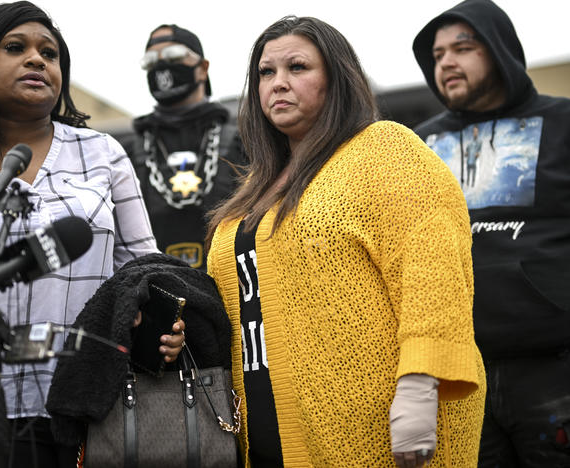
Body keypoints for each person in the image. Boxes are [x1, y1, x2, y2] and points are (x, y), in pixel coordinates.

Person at [0, 2, 184, 467]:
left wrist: (165, 321)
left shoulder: (104, 154)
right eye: (16, 48)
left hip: (89, 399)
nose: (38, 60)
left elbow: (144, 266)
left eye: (51, 53)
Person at [205, 15, 485, 468]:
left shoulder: (384, 149)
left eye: (297, 67)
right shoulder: (255, 188)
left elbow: (433, 270)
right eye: (265, 72)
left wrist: (420, 385)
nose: (278, 83)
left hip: (380, 430)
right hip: (265, 430)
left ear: (337, 78)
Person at [412, 0, 570, 465]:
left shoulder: (563, 122)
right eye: (437, 55)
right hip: (457, 375)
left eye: (463, 48)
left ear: (500, 50)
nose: (447, 62)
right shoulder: (418, 145)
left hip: (554, 367)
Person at [120, 24, 246, 271]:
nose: (161, 67)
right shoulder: (125, 154)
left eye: (173, 56)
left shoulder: (243, 143)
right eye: (151, 61)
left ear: (203, 69)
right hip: (154, 291)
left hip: (227, 291)